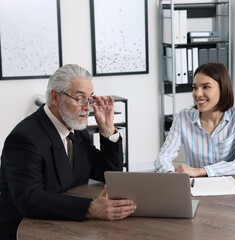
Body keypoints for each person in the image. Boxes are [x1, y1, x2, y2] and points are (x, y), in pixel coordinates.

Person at [0, 64, 136, 240]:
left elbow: (109, 173)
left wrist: (108, 129)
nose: (87, 107)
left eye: (90, 99)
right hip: (25, 231)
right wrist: (90, 208)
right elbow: (29, 199)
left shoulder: (77, 131)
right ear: (55, 97)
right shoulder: (24, 138)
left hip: (65, 225)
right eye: (80, 99)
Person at [155, 62, 235, 177]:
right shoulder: (183, 117)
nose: (198, 93)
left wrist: (201, 171)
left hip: (231, 187)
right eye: (195, 87)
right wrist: (171, 174)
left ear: (223, 88)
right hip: (196, 187)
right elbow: (163, 157)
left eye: (206, 87)